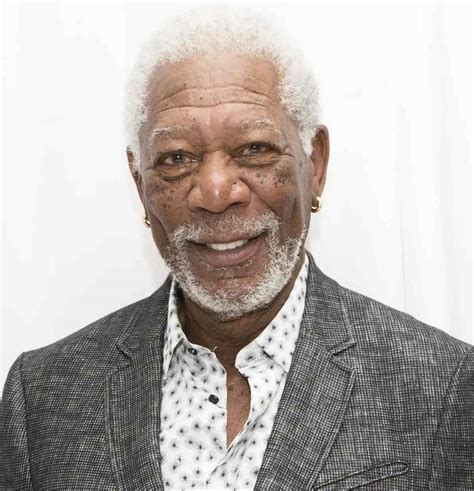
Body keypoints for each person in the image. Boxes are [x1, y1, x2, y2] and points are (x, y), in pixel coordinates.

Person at [1, 8, 472, 490]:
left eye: (254, 149)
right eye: (177, 158)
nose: (216, 192)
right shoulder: (41, 397)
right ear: (140, 183)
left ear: (315, 164)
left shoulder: (443, 385)